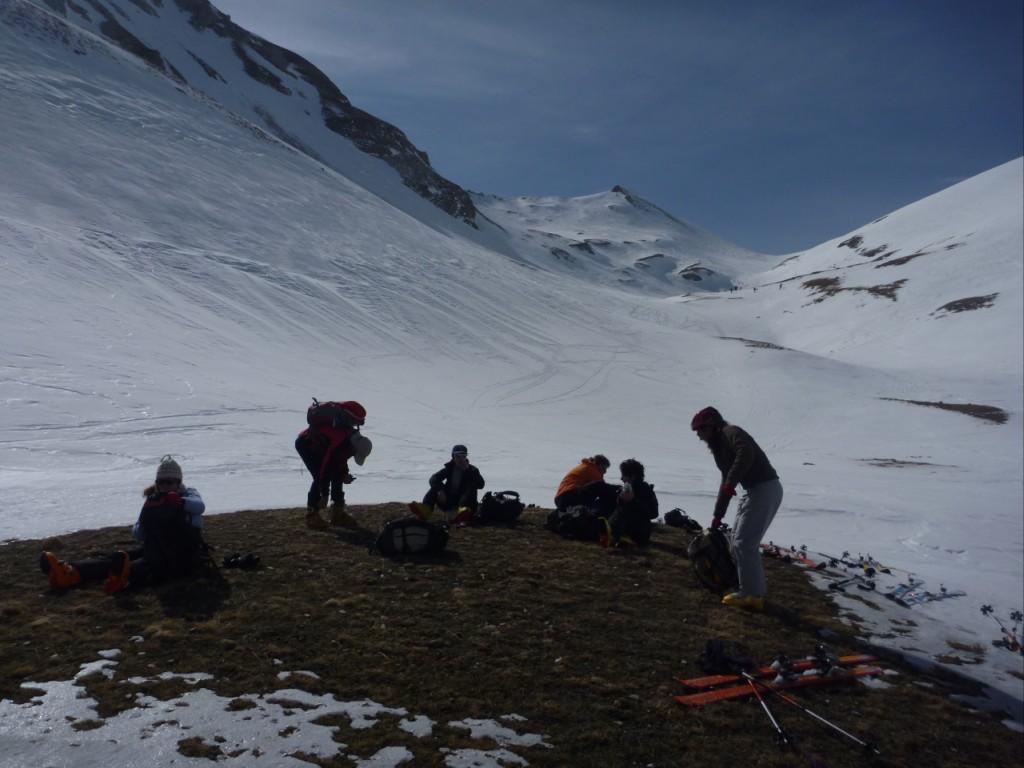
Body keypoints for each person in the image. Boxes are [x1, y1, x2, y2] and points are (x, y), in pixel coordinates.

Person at [39, 455, 208, 594]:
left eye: (169, 482)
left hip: (182, 553)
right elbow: (138, 534)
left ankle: (124, 578)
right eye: (161, 482)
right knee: (117, 558)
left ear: (178, 482)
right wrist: (149, 516)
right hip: (154, 548)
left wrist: (178, 501)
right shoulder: (153, 501)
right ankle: (72, 573)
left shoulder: (188, 494)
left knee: (142, 565)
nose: (164, 486)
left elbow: (199, 507)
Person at [691, 406, 783, 610]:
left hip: (765, 488)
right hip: (753, 490)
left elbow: (746, 452)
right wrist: (718, 515)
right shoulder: (719, 447)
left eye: (701, 430)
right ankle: (741, 586)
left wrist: (731, 482)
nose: (699, 436)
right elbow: (726, 479)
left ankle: (753, 595)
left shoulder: (730, 432)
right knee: (735, 542)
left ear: (712, 426)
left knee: (745, 542)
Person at [295, 401, 372, 530]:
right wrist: (325, 495)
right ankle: (312, 515)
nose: (353, 455)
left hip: (322, 447)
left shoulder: (350, 440)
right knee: (319, 477)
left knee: (337, 475)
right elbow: (326, 467)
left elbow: (340, 459)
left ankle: (337, 513)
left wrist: (344, 474)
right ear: (356, 449)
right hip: (306, 445)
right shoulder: (342, 438)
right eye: (355, 454)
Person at [412, 444, 485, 524]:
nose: (461, 459)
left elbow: (480, 484)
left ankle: (463, 511)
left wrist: (468, 471)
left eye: (464, 456)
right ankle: (425, 510)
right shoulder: (449, 469)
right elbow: (434, 478)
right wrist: (440, 490)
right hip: (449, 503)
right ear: (453, 457)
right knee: (434, 488)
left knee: (471, 488)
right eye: (458, 456)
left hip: (467, 506)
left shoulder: (473, 470)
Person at [603, 458, 659, 548]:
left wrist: (633, 501)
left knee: (623, 513)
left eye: (624, 475)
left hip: (639, 532)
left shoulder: (646, 490)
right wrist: (620, 499)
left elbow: (653, 513)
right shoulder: (626, 488)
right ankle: (614, 534)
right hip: (626, 527)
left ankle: (618, 536)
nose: (621, 478)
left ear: (633, 476)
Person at [553, 454, 618, 516]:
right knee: (600, 486)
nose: (605, 472)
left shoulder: (585, 466)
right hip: (570, 496)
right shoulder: (591, 469)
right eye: (603, 468)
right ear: (598, 464)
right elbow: (603, 486)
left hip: (562, 499)